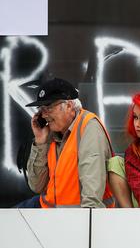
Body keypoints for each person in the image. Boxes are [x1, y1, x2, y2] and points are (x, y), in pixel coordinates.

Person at [17, 78, 114, 208]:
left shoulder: (89, 129)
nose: (44, 115)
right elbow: (36, 186)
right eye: (41, 109)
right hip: (48, 209)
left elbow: (92, 195)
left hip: (73, 216)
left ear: (69, 105)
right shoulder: (51, 132)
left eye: (49, 108)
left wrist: (87, 224)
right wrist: (41, 141)